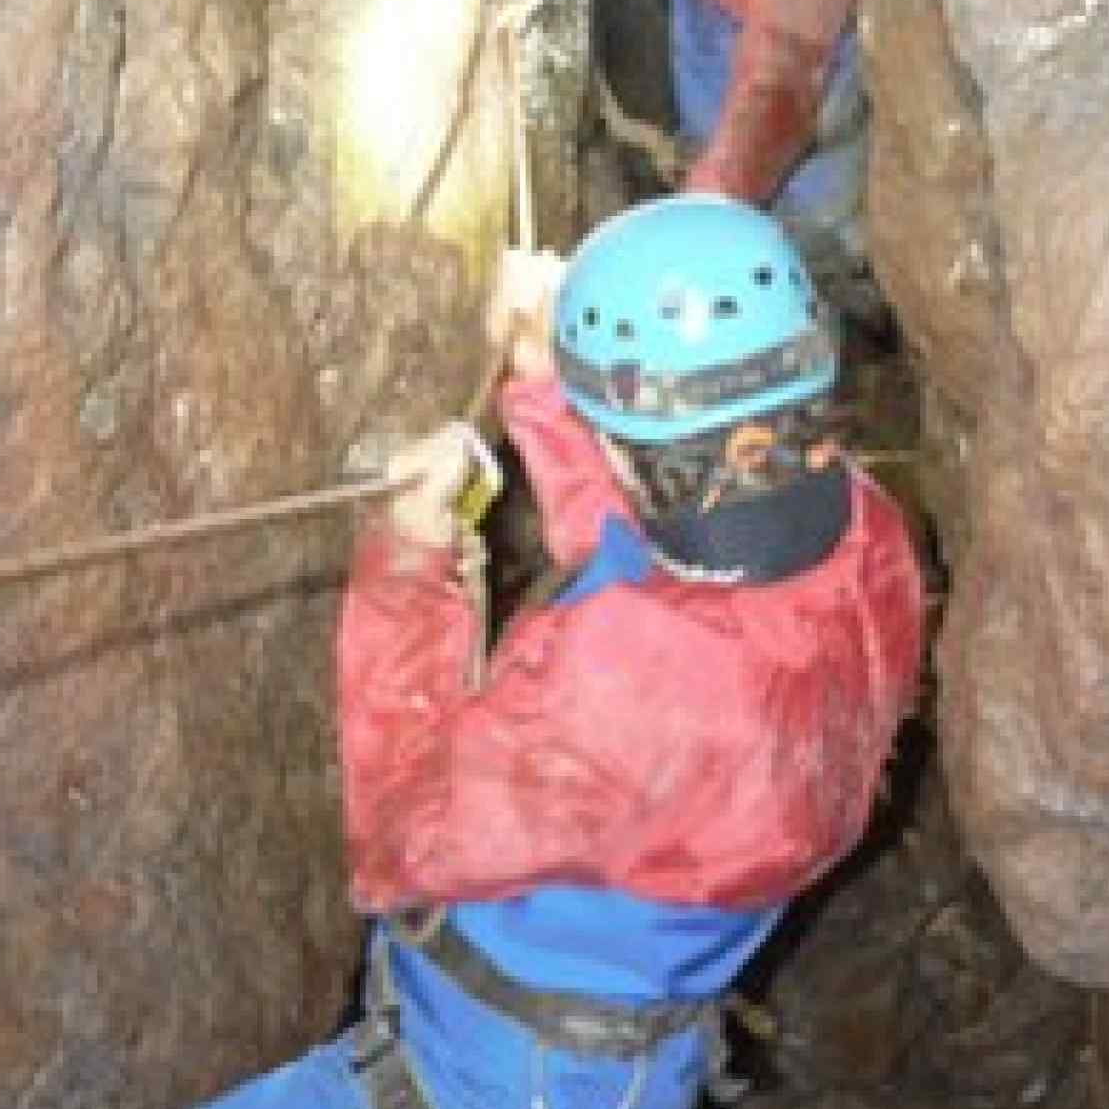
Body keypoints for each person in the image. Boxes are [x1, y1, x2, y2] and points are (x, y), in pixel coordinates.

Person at [199, 195, 923, 1109]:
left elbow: (399, 840)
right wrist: (547, 386)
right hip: (632, 1057)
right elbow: (655, 555)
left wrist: (409, 570)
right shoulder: (865, 542)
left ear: (631, 451)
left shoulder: (627, 683)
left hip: (498, 1078)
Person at [584, 0, 882, 331]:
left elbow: (776, 98)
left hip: (799, 195)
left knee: (785, 314)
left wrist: (687, 231)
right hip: (727, 134)